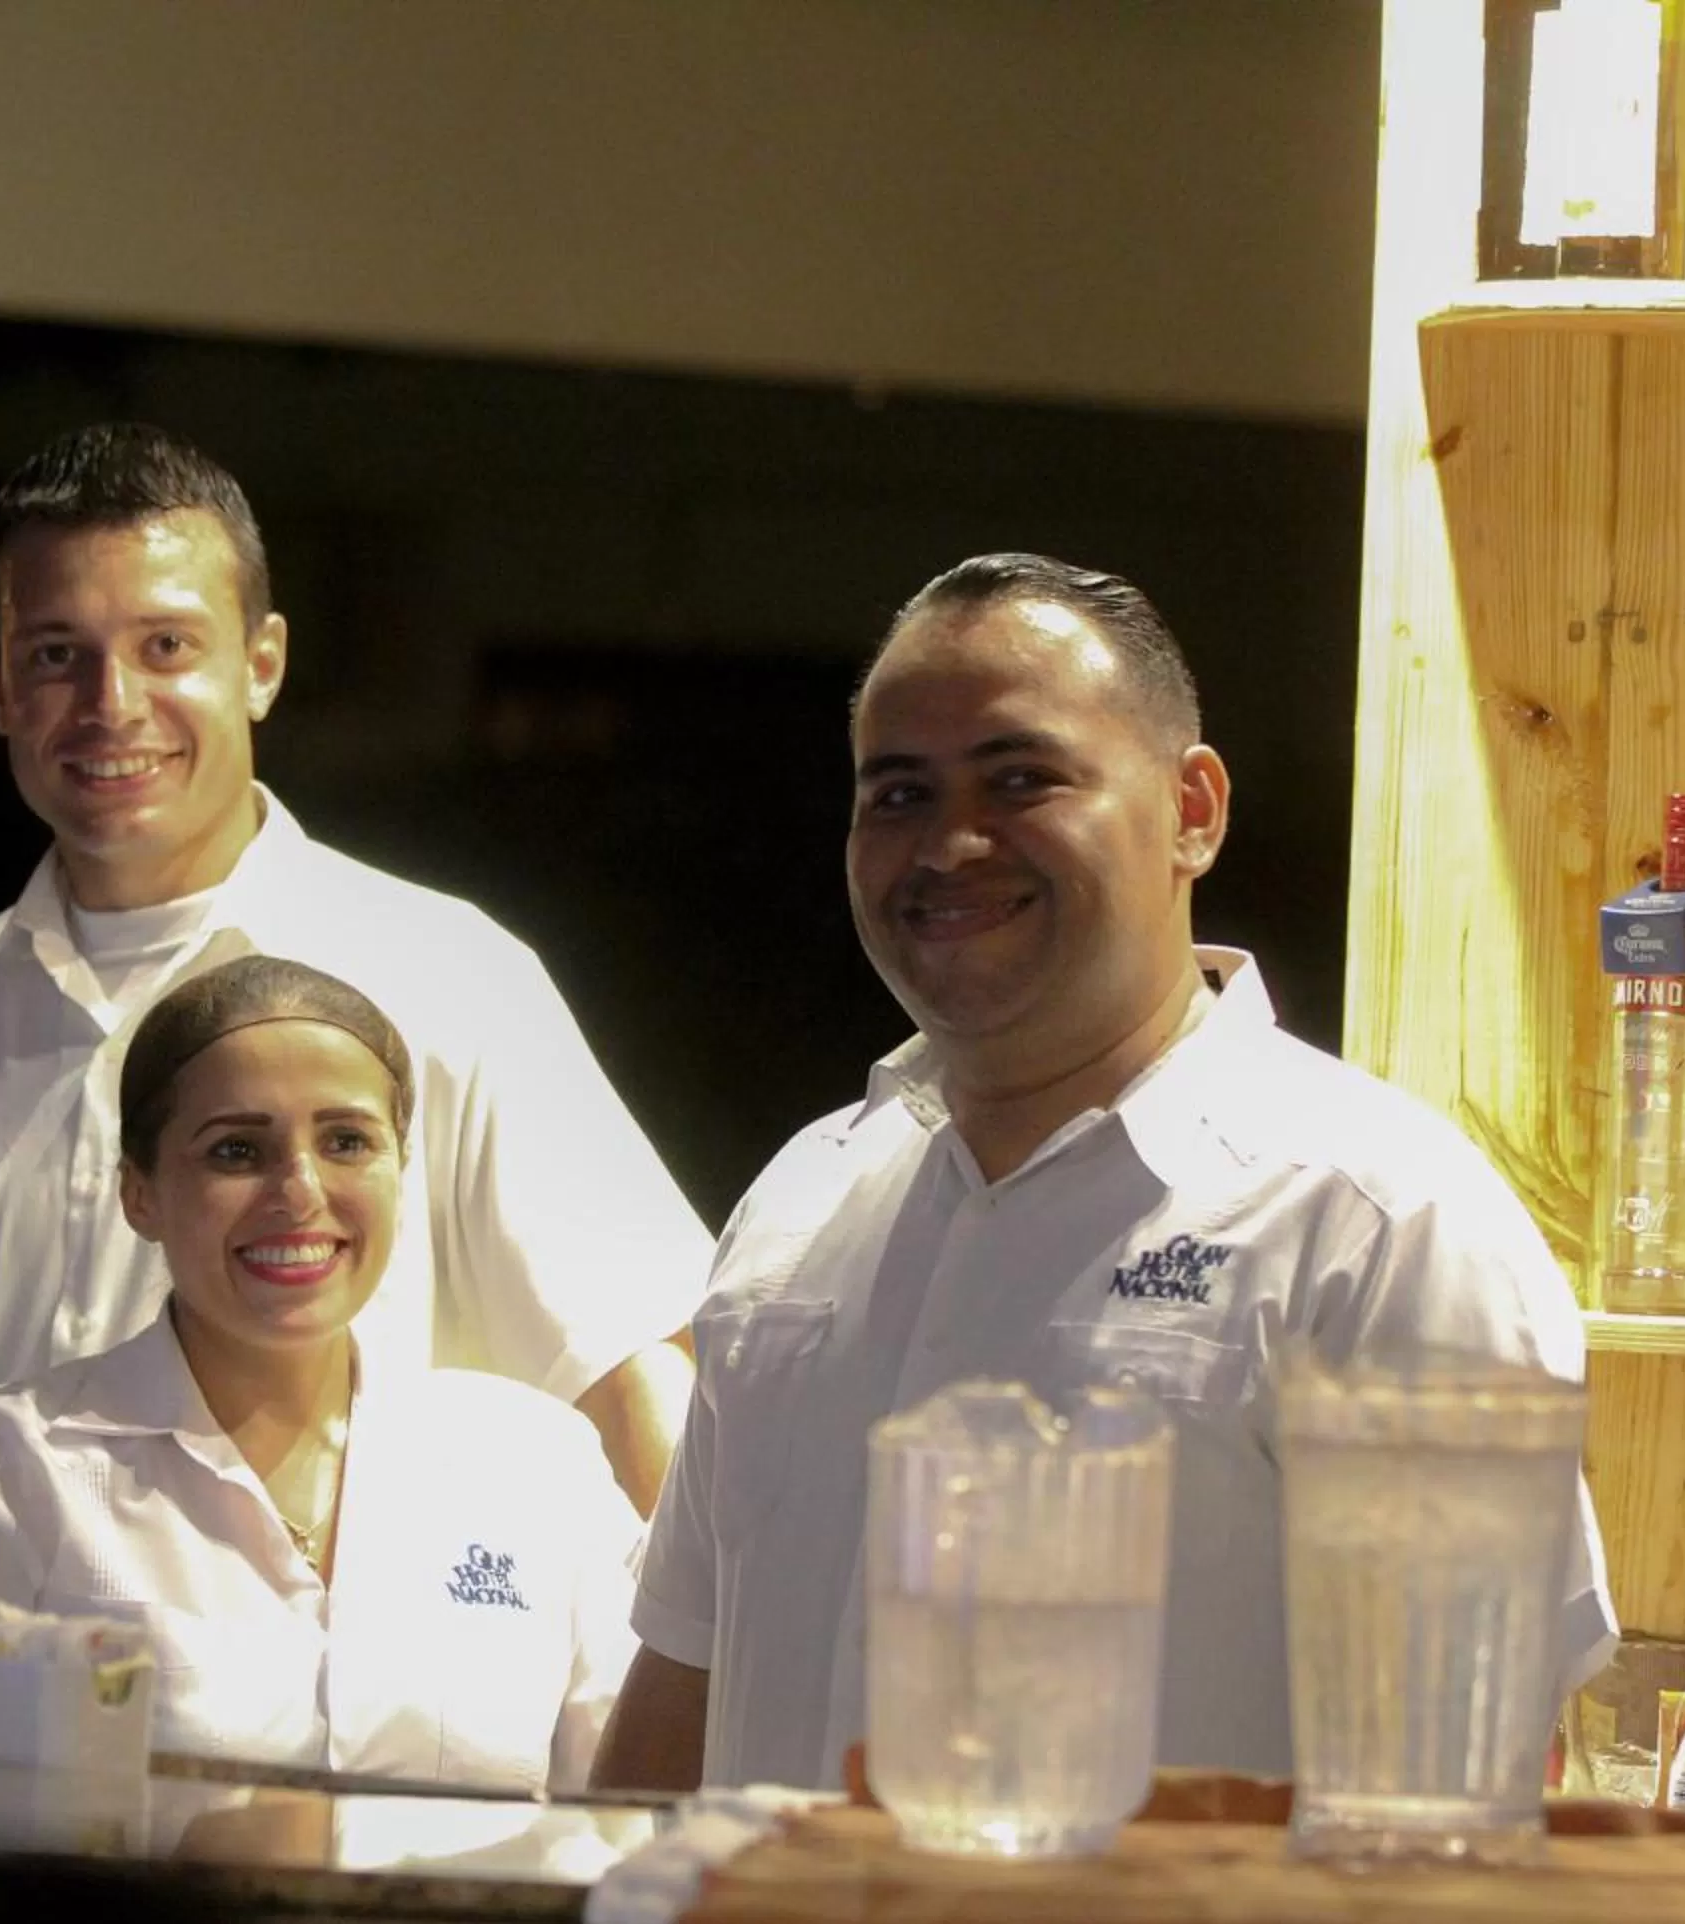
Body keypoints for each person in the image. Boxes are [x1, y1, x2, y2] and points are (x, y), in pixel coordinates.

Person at [591, 554, 1617, 1792]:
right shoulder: (801, 1204)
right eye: (898, 794)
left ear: (1193, 808)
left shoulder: (1376, 1226)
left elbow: (1463, 1802)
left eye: (1021, 779)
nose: (950, 844)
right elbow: (679, 1702)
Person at [0, 423, 712, 1702]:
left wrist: (710, 1744)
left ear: (263, 662)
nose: (111, 705)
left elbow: (637, 1384)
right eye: (56, 656)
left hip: (334, 1775)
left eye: (166, 646)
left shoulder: (448, 973)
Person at [0, 957, 641, 1792]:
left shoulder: (538, 1465)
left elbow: (628, 1812)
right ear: (138, 1194)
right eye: (237, 1150)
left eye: (347, 1142)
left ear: (401, 1169)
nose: (300, 1191)